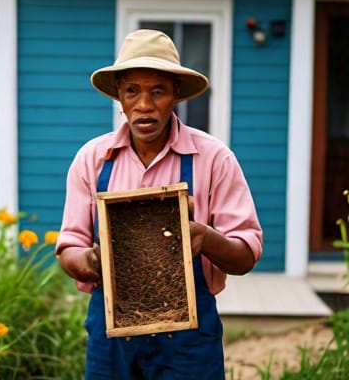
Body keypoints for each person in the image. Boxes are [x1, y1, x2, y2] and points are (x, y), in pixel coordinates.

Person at [56, 29, 263, 380]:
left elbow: (245, 257)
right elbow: (68, 250)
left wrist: (205, 238)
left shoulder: (213, 158)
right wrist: (92, 260)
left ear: (176, 94)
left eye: (158, 91)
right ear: (119, 95)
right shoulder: (92, 159)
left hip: (188, 344)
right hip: (112, 340)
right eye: (132, 91)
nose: (145, 105)